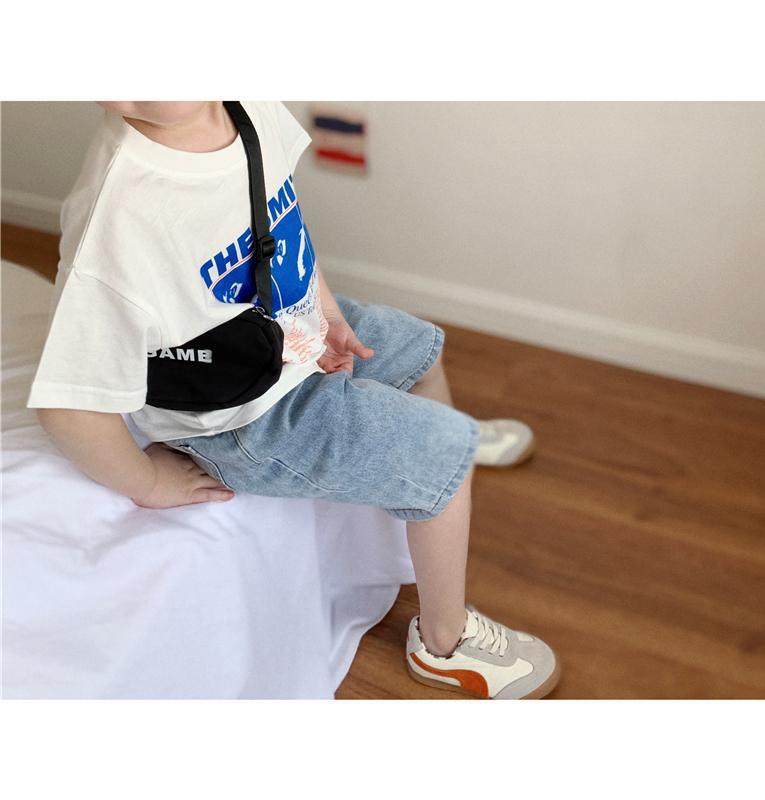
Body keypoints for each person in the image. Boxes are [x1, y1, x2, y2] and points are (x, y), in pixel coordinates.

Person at [28, 101, 560, 700]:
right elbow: (68, 408)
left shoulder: (243, 105)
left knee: (422, 352)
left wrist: (325, 311)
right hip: (240, 414)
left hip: (289, 332)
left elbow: (280, 220)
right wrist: (147, 481)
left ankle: (446, 470)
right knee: (443, 458)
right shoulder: (118, 220)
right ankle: (444, 643)